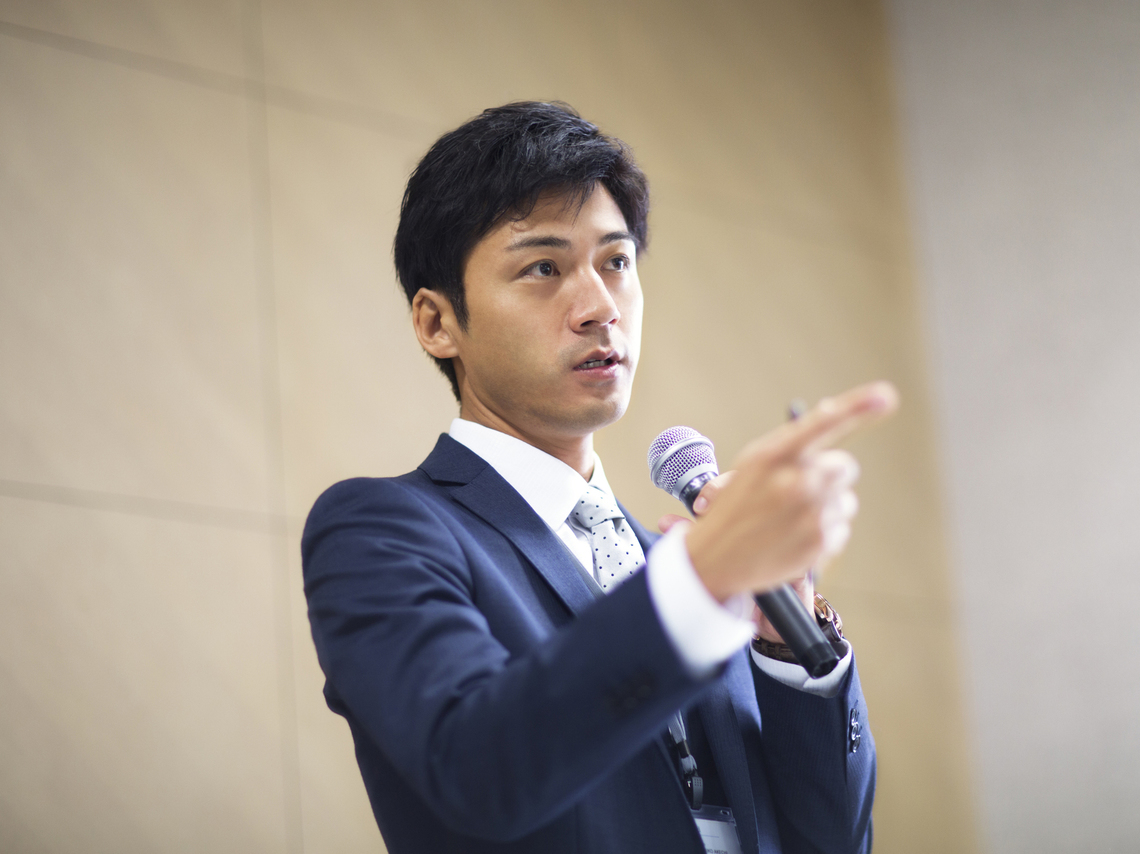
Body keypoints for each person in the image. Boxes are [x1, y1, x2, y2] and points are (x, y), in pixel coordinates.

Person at [302, 101, 896, 854]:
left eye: (616, 262)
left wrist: (788, 648)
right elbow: (478, 769)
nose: (599, 307)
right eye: (543, 268)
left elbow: (834, 843)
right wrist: (703, 580)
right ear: (437, 322)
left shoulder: (687, 571)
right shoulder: (380, 530)